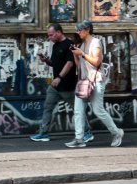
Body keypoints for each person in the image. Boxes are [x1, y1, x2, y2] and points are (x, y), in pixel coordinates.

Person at [66, 20, 125, 149]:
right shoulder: (82, 44)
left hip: (96, 81)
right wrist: (75, 54)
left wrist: (81, 54)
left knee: (98, 110)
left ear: (87, 29)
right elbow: (79, 66)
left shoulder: (95, 42)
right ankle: (79, 138)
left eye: (79, 30)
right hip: (84, 82)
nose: (78, 32)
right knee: (78, 110)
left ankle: (117, 133)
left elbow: (97, 62)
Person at [29, 23, 92, 143]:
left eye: (51, 35)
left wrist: (59, 77)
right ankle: (43, 133)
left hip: (68, 85)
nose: (49, 37)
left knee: (77, 110)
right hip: (56, 87)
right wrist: (46, 61)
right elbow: (55, 63)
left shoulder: (69, 45)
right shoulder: (55, 46)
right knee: (48, 108)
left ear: (58, 32)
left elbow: (70, 63)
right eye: (48, 35)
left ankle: (87, 132)